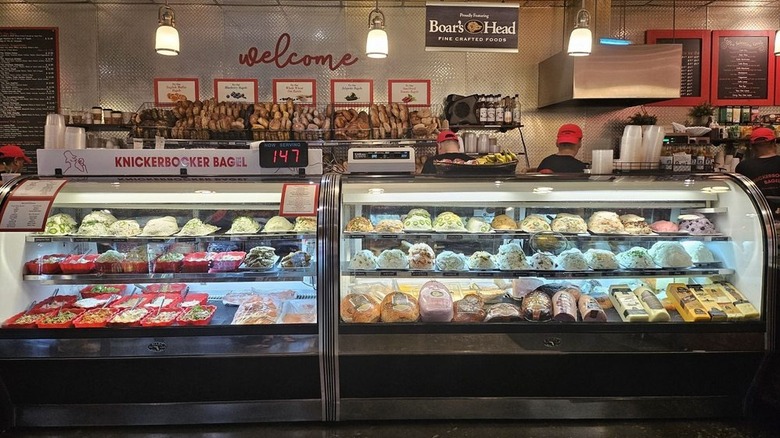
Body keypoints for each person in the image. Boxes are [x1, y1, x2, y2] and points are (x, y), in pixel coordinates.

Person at [735, 127, 780, 217]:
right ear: (774, 143)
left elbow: (740, 196)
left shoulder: (743, 167)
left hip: (759, 217)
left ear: (752, 147)